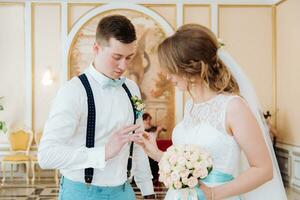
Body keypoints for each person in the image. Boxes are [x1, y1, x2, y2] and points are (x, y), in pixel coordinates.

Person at [135, 24, 287, 199]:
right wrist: (156, 153)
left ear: (192, 66)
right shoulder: (190, 106)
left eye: (171, 69)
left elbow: (264, 169)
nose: (168, 77)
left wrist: (214, 193)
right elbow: (188, 168)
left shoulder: (233, 107)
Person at [38, 15, 155, 200]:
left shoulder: (132, 89)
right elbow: (47, 156)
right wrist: (103, 153)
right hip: (81, 192)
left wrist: (148, 191)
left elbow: (138, 142)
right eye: (117, 57)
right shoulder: (73, 91)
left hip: (125, 192)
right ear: (96, 48)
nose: (123, 66)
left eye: (129, 57)